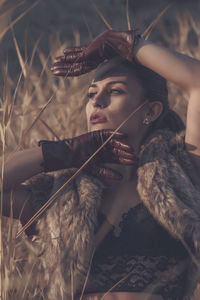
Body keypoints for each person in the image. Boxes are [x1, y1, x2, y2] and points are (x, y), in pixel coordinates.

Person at [1, 30, 200, 300]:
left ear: (151, 111)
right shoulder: (63, 194)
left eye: (115, 91)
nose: (97, 100)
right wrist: (61, 152)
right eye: (91, 93)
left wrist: (128, 44)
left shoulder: (183, 170)